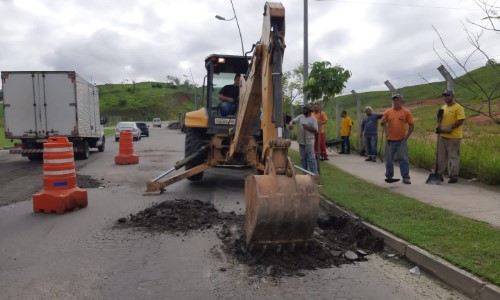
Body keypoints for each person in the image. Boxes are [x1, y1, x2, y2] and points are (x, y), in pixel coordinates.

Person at [381, 94, 414, 184]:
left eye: (398, 100)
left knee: (403, 159)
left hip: (401, 140)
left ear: (401, 101)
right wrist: (383, 122)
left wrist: (406, 137)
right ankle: (389, 176)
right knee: (388, 159)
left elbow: (411, 125)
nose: (396, 101)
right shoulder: (388, 112)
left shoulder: (406, 112)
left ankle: (406, 177)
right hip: (389, 140)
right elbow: (383, 121)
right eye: (394, 100)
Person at [435, 89, 465, 183]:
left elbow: (460, 121)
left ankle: (453, 176)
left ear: (452, 96)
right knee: (441, 157)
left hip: (454, 137)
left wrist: (449, 128)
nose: (446, 97)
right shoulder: (443, 107)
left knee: (453, 157)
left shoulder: (458, 107)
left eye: (448, 95)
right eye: (445, 95)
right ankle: (439, 174)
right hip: (442, 136)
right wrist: (439, 126)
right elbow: (440, 121)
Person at [289, 104, 318, 174]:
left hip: (309, 142)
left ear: (308, 110)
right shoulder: (300, 117)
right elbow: (293, 121)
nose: (303, 110)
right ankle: (305, 173)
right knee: (303, 159)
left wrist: (307, 127)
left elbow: (315, 130)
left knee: (311, 158)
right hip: (301, 142)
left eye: (304, 109)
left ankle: (314, 174)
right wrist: (291, 124)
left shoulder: (313, 119)